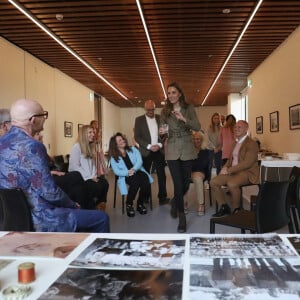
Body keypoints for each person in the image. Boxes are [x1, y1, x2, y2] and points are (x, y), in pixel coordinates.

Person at [0, 98, 109, 232]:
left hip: (11, 217)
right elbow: (49, 192)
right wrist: (73, 205)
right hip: (40, 217)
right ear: (33, 119)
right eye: (43, 115)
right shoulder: (33, 145)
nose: (45, 118)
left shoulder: (2, 142)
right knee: (101, 218)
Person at [160, 82, 201, 233]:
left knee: (185, 184)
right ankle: (181, 217)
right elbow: (162, 132)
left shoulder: (189, 108)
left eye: (173, 92)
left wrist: (184, 119)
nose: (170, 95)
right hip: (171, 149)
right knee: (178, 184)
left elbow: (197, 126)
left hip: (187, 148)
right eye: (169, 93)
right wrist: (162, 133)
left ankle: (174, 202)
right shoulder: (164, 111)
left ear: (180, 94)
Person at [211, 120, 260, 217]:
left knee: (232, 184)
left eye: (239, 127)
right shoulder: (235, 143)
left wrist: (228, 170)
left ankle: (236, 209)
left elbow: (247, 163)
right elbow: (230, 161)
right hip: (234, 172)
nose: (236, 129)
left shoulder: (252, 143)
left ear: (246, 129)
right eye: (235, 127)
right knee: (213, 182)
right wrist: (224, 168)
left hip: (247, 173)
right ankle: (224, 206)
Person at [108, 132, 153, 217]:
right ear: (115, 144)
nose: (123, 140)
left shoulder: (133, 149)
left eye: (122, 139)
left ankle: (140, 203)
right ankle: (129, 204)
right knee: (135, 182)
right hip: (125, 175)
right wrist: (127, 172)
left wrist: (134, 169)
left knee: (145, 180)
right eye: (119, 140)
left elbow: (140, 161)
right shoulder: (113, 157)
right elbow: (116, 171)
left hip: (137, 170)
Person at [134, 99, 169, 205]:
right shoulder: (139, 120)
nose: (151, 112)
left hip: (159, 151)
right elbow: (137, 136)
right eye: (149, 110)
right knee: (145, 175)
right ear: (145, 109)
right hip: (146, 152)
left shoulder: (161, 118)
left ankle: (162, 197)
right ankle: (145, 196)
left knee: (162, 175)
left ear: (155, 108)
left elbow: (166, 134)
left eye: (153, 109)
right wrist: (149, 146)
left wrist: (159, 145)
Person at [69, 125, 109, 210]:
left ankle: (100, 204)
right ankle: (92, 206)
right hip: (81, 179)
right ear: (83, 134)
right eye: (90, 132)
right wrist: (90, 178)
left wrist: (94, 176)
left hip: (90, 177)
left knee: (105, 183)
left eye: (93, 132)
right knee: (95, 186)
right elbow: (74, 167)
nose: (93, 134)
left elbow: (93, 165)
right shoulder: (76, 147)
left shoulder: (90, 147)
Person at [191, 131, 210, 216]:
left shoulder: (205, 151)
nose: (196, 141)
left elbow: (202, 165)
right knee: (180, 178)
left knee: (197, 178)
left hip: (201, 172)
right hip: (189, 172)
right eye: (194, 139)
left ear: (202, 140)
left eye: (198, 139)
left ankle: (201, 204)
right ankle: (183, 203)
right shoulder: (189, 150)